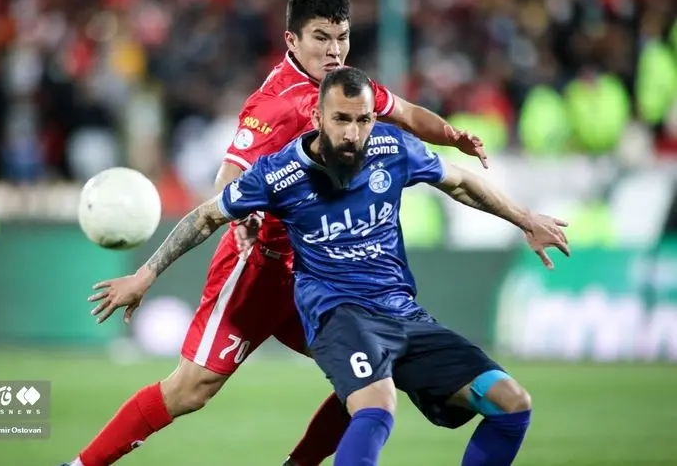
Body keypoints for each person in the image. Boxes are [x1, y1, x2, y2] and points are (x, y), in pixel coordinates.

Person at [64, 0, 488, 466]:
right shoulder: (276, 105)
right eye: (321, 38)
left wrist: (452, 136)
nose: (334, 50)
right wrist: (242, 219)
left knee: (370, 370)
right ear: (292, 40)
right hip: (259, 269)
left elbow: (407, 114)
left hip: (315, 272)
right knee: (190, 390)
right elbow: (228, 177)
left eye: (342, 38)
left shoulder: (346, 90)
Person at [85, 67, 570, 465]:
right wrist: (145, 275)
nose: (353, 133)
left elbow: (460, 181)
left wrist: (526, 220)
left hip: (403, 314)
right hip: (338, 314)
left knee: (511, 404)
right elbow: (207, 215)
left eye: (363, 120)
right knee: (376, 404)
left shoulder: (393, 150)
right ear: (317, 116)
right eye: (341, 119)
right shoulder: (281, 173)